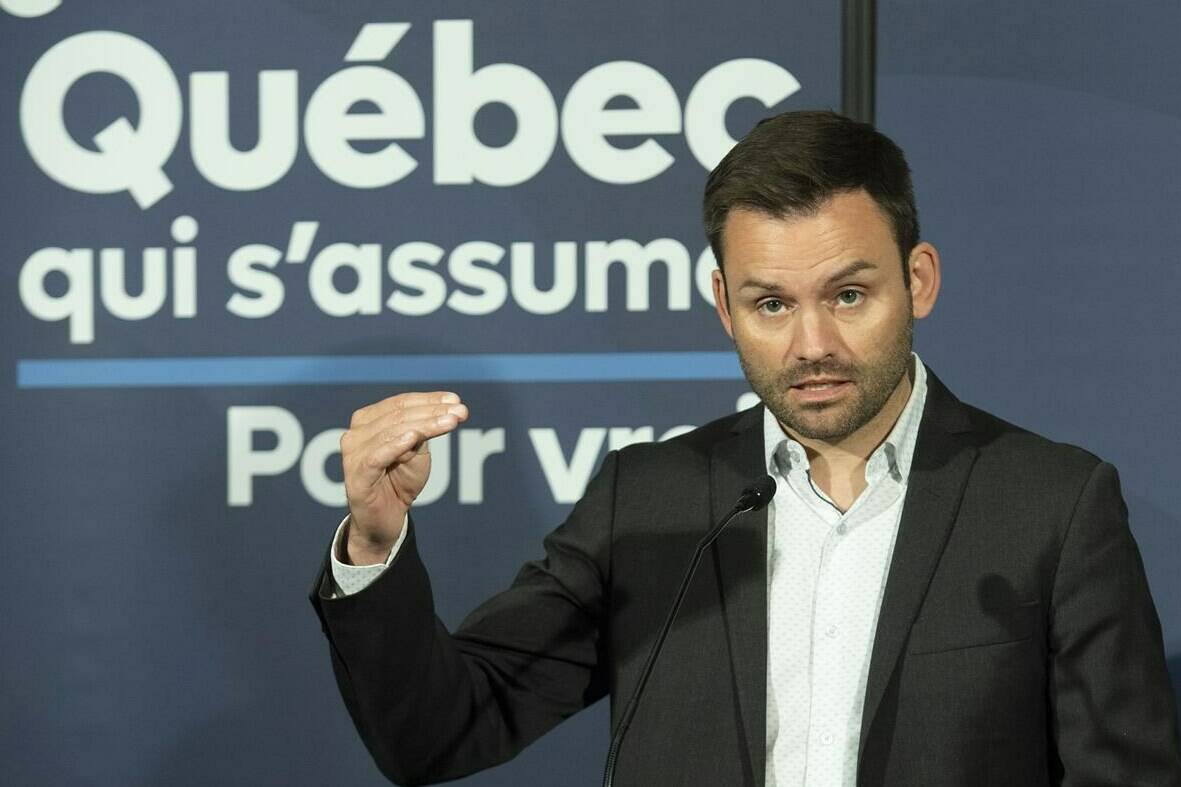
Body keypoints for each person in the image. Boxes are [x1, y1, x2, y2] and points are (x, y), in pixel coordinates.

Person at [309, 110, 1181, 786]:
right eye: (771, 304)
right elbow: (442, 729)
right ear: (724, 306)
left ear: (917, 280)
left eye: (847, 294)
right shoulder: (647, 501)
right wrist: (376, 544)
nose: (811, 344)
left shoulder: (1050, 505)